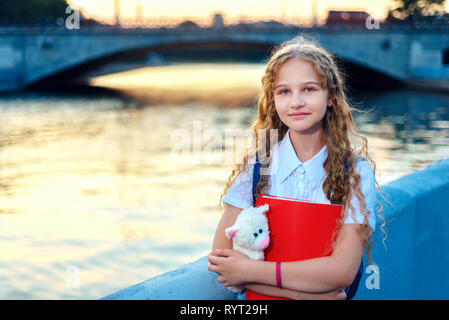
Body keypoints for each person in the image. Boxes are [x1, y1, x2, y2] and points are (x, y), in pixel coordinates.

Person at [207, 35, 386, 300]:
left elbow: (341, 272)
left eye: (309, 89)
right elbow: (222, 261)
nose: (296, 102)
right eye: (284, 91)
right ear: (273, 100)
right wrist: (310, 296)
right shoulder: (256, 167)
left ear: (331, 97)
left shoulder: (355, 173)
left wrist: (250, 272)